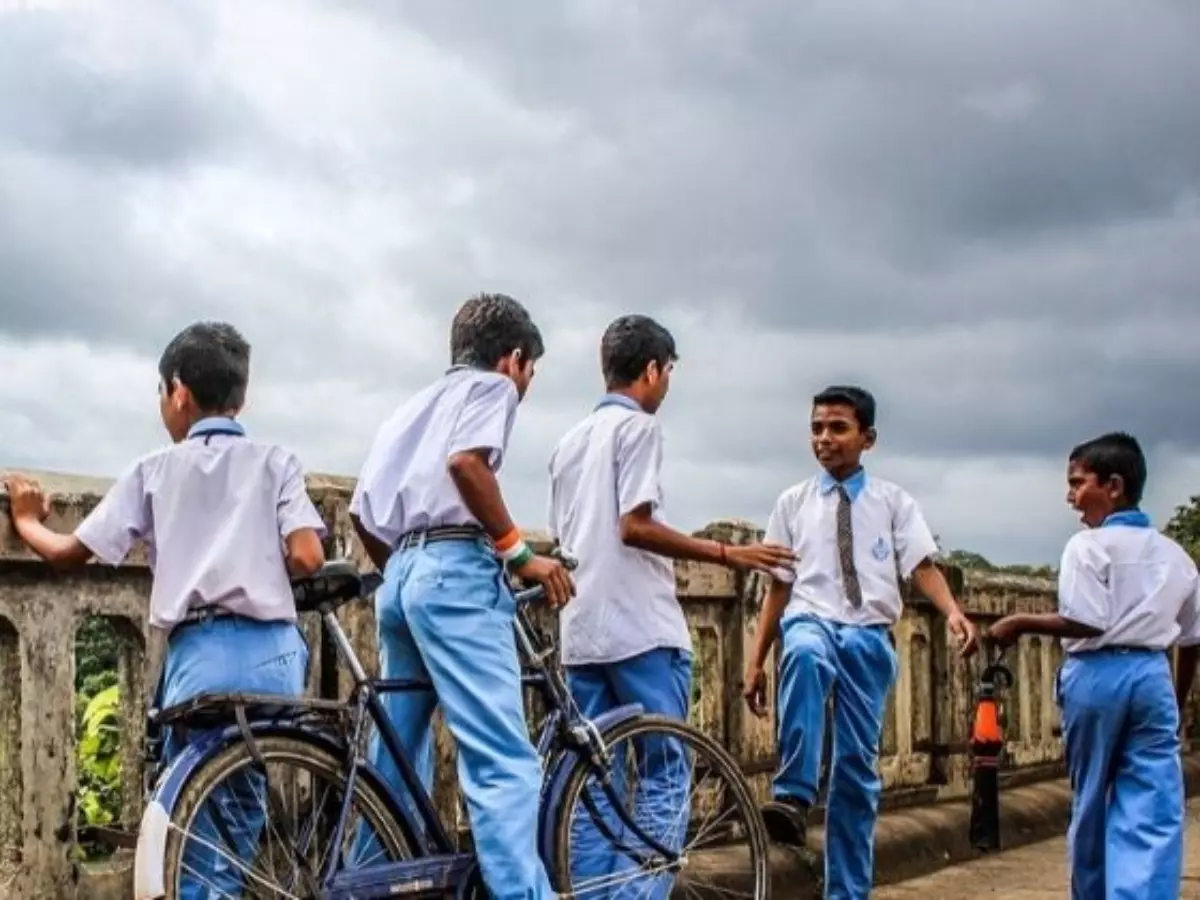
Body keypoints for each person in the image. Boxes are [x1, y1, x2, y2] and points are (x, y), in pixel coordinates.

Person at [2, 321, 327, 898]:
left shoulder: (154, 471)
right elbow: (307, 555)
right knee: (241, 804)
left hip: (201, 664)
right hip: (275, 661)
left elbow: (69, 554)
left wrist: (26, 520)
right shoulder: (276, 461)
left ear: (177, 391)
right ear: (241, 395)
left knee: (192, 819)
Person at [547, 314, 795, 896]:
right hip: (642, 629)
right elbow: (634, 525)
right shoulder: (639, 430)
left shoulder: (569, 443)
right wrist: (726, 554)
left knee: (594, 783)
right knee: (664, 772)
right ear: (653, 370)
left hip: (582, 631)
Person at [349, 293, 573, 900]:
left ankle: (372, 882)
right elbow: (468, 463)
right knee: (501, 757)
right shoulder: (492, 388)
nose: (525, 385)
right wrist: (518, 553)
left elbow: (362, 512)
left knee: (395, 756)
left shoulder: (408, 410)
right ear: (513, 359)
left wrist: (406, 571)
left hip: (402, 576)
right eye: (529, 371)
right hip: (455, 571)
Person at [743, 384, 978, 899]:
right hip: (811, 620)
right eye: (816, 428)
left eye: (838, 428)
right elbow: (778, 587)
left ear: (867, 438)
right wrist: (756, 660)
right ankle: (794, 792)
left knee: (854, 771)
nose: (824, 439)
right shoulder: (793, 503)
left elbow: (921, 567)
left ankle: (847, 891)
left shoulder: (893, 502)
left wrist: (954, 612)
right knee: (804, 654)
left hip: (868, 636)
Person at [988, 432, 1200, 900]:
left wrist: (1020, 622)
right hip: (1152, 674)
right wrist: (1177, 699)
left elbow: (1086, 620)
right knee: (1154, 801)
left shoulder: (1087, 546)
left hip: (1097, 674)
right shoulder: (1176, 557)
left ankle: (1093, 891)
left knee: (1093, 796)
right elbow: (1191, 640)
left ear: (1114, 486)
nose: (1070, 496)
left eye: (1077, 483)